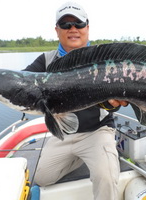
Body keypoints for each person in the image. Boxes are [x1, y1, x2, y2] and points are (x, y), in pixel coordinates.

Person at [24, 2, 128, 199]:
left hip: (97, 132)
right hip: (63, 134)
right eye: (65, 25)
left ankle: (97, 155)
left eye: (78, 24)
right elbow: (22, 81)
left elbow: (112, 103)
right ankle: (79, 158)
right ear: (57, 30)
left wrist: (112, 103)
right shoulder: (46, 61)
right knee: (42, 177)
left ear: (87, 28)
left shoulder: (104, 59)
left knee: (105, 178)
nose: (73, 29)